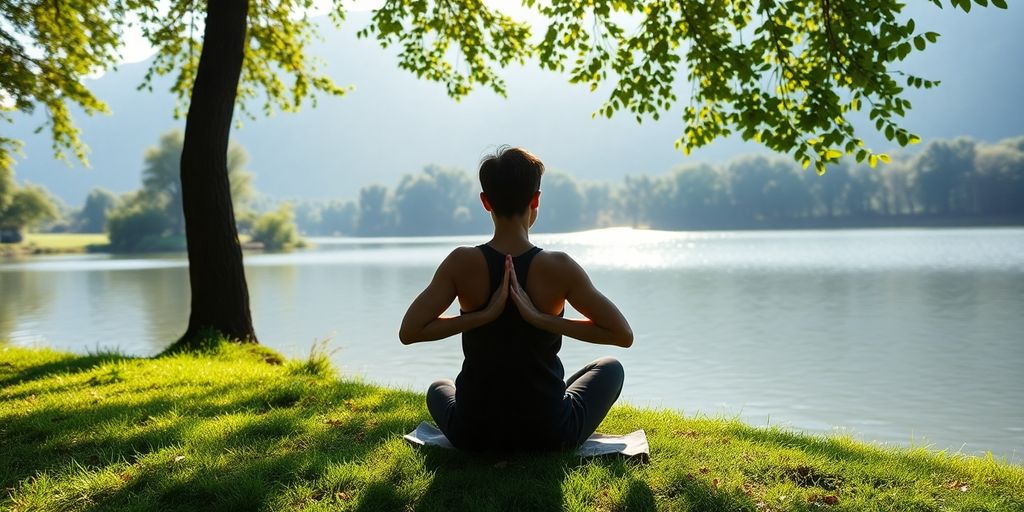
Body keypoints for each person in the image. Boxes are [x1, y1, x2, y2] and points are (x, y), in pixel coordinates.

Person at [399, 146, 633, 453]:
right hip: (549, 434)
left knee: (438, 388)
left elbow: (409, 331)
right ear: (535, 200)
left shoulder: (461, 263)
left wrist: (479, 316)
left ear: (486, 202)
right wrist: (545, 320)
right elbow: (622, 335)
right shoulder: (559, 267)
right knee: (609, 368)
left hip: (474, 435)